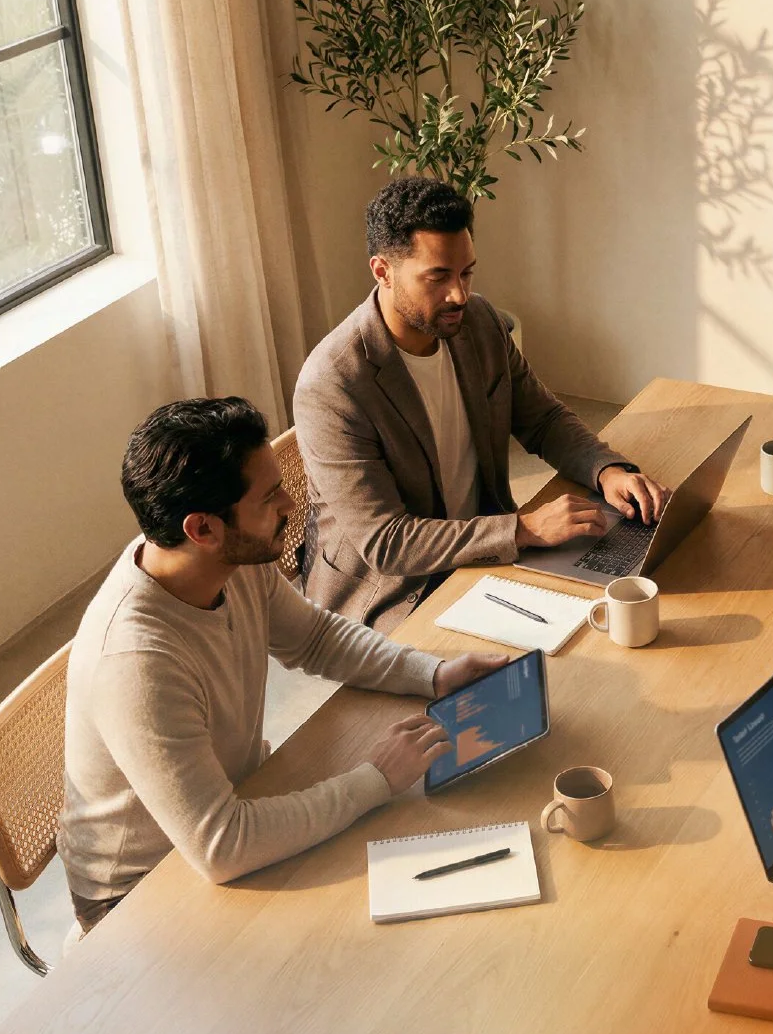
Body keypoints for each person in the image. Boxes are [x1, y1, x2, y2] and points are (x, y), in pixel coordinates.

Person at [57, 397, 507, 934]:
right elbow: (221, 846)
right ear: (202, 528)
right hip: (140, 893)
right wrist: (376, 779)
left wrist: (431, 673)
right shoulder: (136, 662)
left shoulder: (221, 557)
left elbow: (314, 638)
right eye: (270, 497)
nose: (292, 505)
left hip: (230, 811)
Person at [295, 177, 668, 630]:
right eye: (437, 277)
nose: (459, 295)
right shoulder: (333, 384)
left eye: (466, 272)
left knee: (632, 595)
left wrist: (606, 470)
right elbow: (387, 543)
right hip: (396, 591)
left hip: (483, 550)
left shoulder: (479, 324)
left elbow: (543, 418)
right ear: (382, 271)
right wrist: (524, 529)